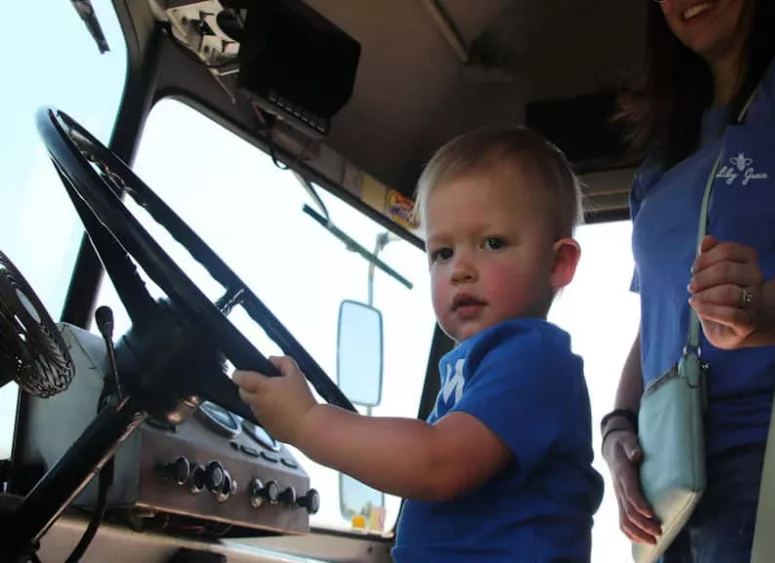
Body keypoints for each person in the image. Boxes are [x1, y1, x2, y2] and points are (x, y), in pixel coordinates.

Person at [233, 125, 604, 562]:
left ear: (558, 263)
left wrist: (308, 423)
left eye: (492, 243)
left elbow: (437, 463)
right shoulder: (476, 365)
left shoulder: (532, 359)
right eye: (442, 253)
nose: (460, 270)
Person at [601, 0, 775, 561]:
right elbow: (653, 327)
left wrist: (753, 312)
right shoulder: (656, 168)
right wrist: (618, 432)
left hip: (764, 446)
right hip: (668, 478)